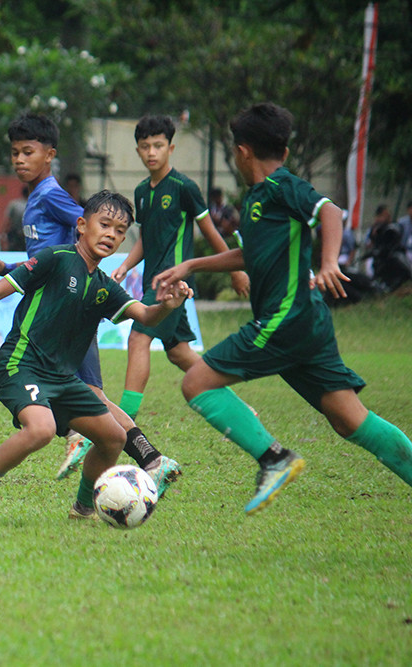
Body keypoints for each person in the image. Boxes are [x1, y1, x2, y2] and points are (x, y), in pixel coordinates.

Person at [154, 102, 412, 514]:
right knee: (349, 419)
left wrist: (329, 262)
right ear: (285, 149)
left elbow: (329, 210)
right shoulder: (260, 198)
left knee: (196, 383)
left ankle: (274, 458)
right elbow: (250, 255)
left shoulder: (280, 186)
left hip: (285, 318)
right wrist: (191, 264)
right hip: (306, 323)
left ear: (242, 152)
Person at [0, 190, 193, 523]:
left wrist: (167, 305)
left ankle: (83, 507)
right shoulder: (55, 258)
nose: (111, 235)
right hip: (21, 364)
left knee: (113, 438)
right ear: (81, 225)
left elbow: (146, 316)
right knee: (41, 430)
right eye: (104, 224)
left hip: (62, 379)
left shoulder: (105, 286)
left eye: (120, 231)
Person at [0, 112, 181, 491]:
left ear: (49, 155)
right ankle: (121, 448)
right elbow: (47, 255)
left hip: (69, 304)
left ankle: (140, 455)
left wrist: (98, 252)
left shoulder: (52, 196)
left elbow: (91, 225)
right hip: (49, 303)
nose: (19, 160)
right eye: (15, 154)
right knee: (62, 389)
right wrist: (9, 265)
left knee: (92, 395)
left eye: (27, 152)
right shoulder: (37, 197)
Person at [111, 115, 250, 424]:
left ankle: (123, 421)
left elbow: (210, 231)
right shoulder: (141, 192)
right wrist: (124, 265)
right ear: (137, 151)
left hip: (173, 283)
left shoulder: (184, 187)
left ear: (170, 148)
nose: (151, 152)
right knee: (178, 352)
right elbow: (146, 239)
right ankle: (242, 410)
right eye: (145, 146)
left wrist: (235, 269)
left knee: (137, 339)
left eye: (158, 145)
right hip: (153, 280)